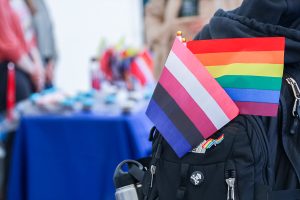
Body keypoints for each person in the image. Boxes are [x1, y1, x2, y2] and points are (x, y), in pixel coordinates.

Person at [145, 0, 242, 78]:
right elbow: (152, 14)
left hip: (214, 66)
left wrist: (213, 24)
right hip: (172, 61)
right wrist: (165, 33)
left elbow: (241, 16)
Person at [0, 0, 44, 113]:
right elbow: (9, 45)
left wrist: (38, 67)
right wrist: (34, 70)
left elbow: (29, 38)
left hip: (25, 68)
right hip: (10, 71)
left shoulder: (19, 3)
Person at [27, 0, 58, 88]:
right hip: (30, 70)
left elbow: (49, 31)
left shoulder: (42, 3)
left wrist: (51, 62)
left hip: (45, 69)